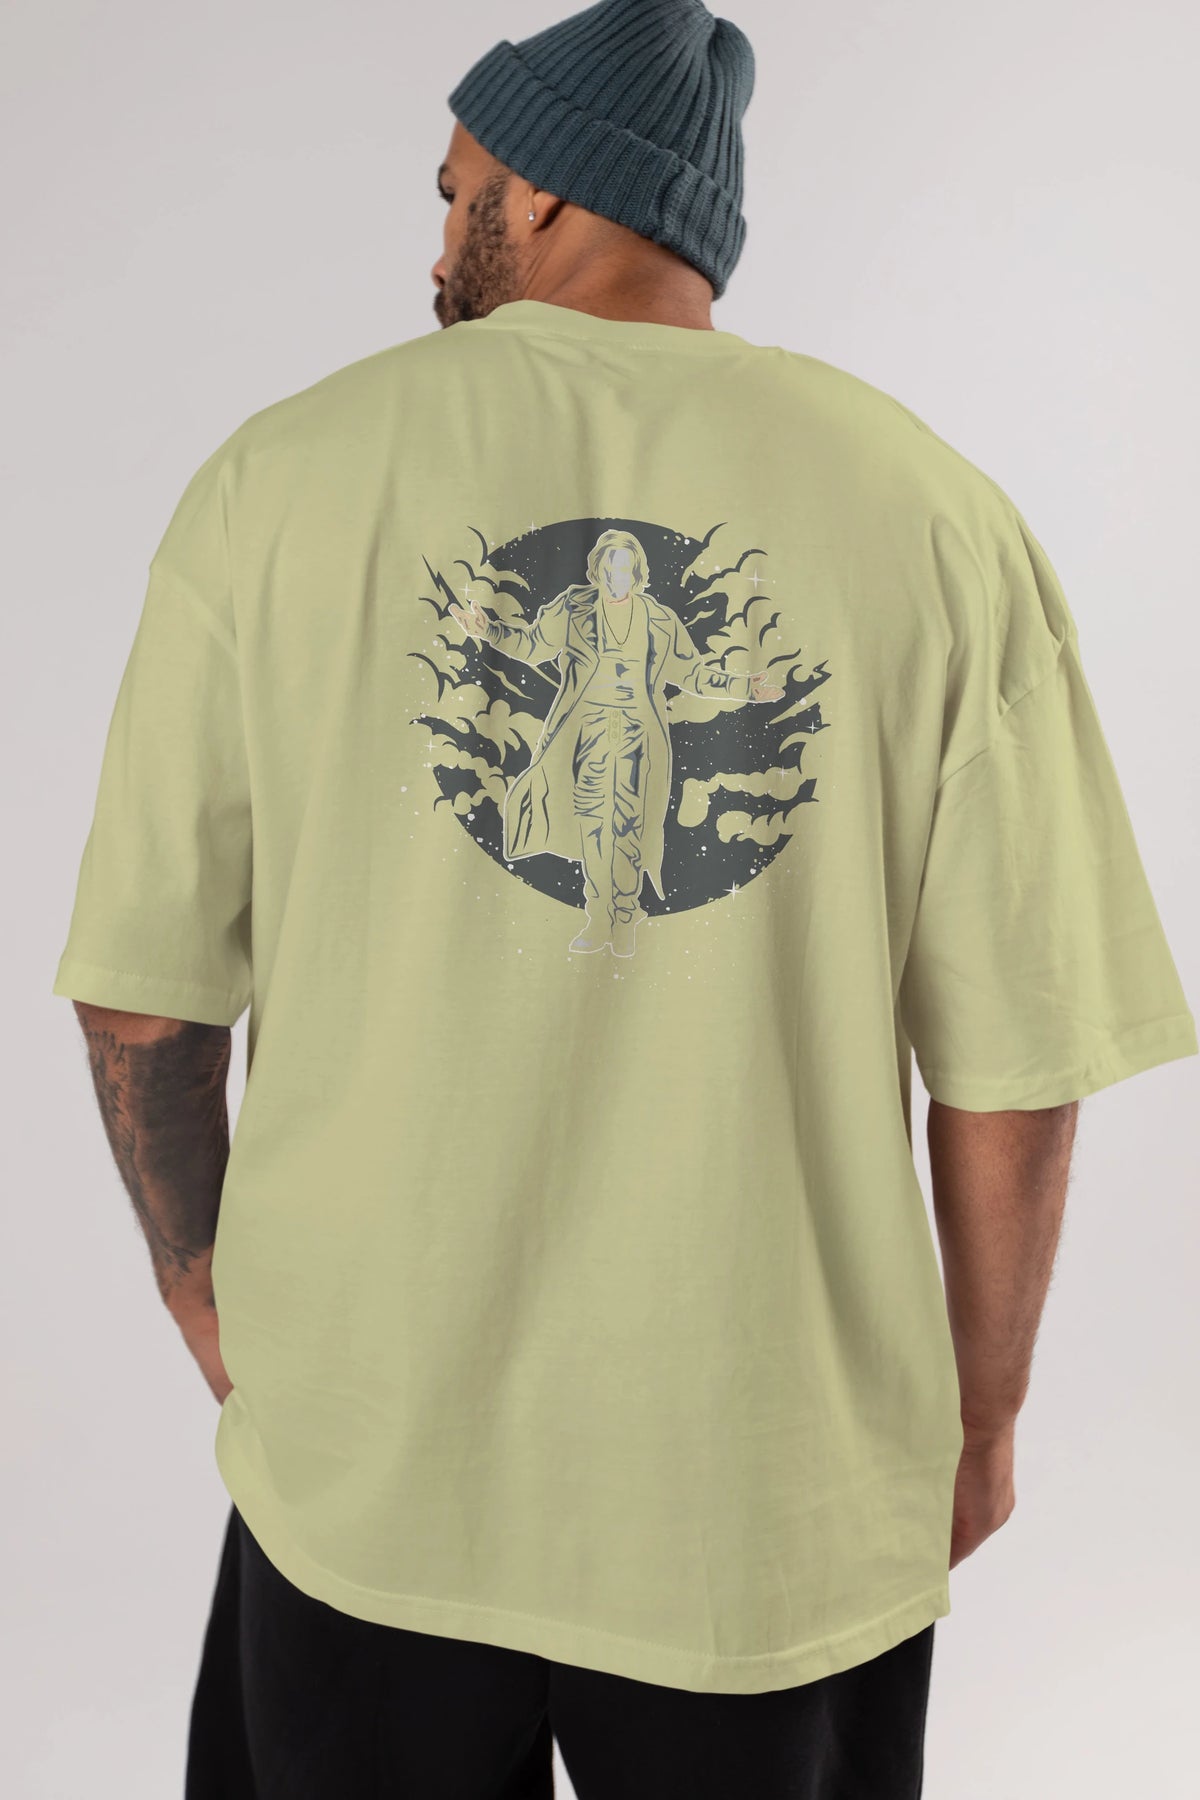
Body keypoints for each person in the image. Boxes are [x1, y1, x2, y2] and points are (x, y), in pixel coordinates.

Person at [51, 0, 1196, 1795]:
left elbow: (146, 987)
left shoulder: (275, 484)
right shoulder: (932, 514)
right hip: (769, 1498)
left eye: (456, 193)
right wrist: (980, 1419)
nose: (439, 239)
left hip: (371, 1463)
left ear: (547, 190)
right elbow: (1017, 1065)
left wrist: (212, 1301)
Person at [450, 526, 785, 956]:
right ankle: (598, 916)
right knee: (593, 822)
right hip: (585, 733)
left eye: (624, 569)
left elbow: (693, 674)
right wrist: (489, 631)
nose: (616, 577)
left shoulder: (660, 620)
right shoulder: (574, 608)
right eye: (609, 568)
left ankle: (624, 917)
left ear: (637, 572)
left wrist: (745, 689)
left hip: (638, 735)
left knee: (628, 824)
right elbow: (533, 645)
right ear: (597, 570)